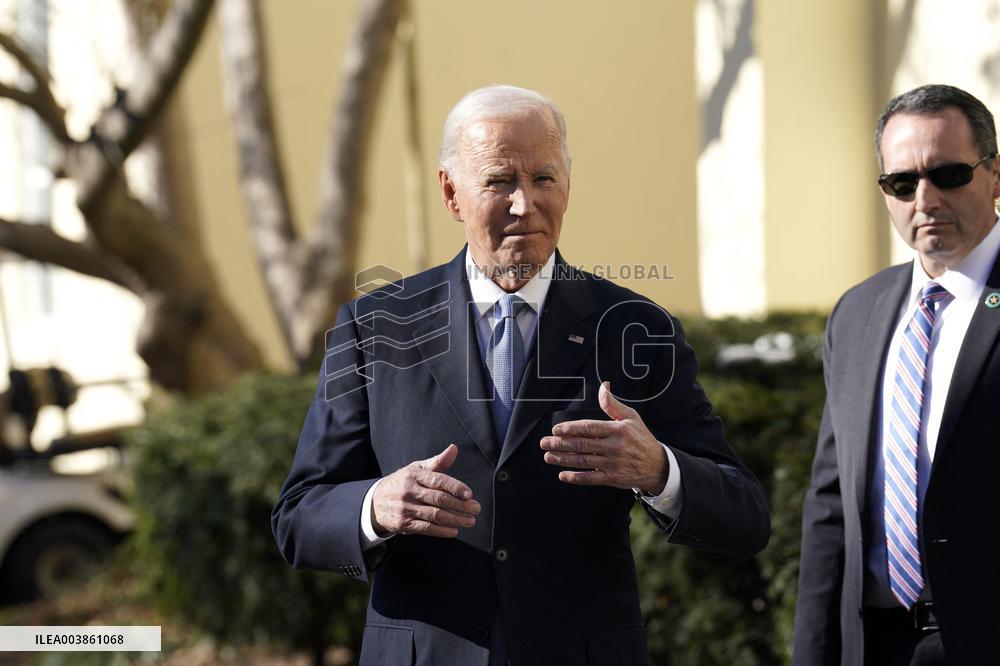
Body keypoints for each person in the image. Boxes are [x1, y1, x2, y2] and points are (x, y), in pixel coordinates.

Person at [273, 84, 770, 666]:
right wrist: (376, 505)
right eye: (500, 181)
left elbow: (744, 518)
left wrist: (659, 469)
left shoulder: (635, 329)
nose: (523, 204)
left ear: (568, 185)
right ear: (450, 192)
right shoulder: (376, 327)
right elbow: (298, 517)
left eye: (543, 178)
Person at [794, 83, 1000, 666]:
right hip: (875, 642)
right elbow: (831, 506)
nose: (925, 199)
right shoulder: (857, 313)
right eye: (902, 183)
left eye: (949, 175)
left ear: (995, 176)